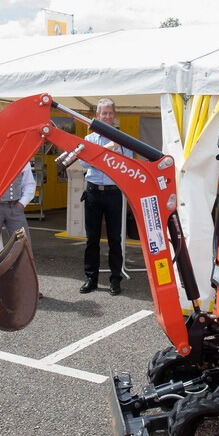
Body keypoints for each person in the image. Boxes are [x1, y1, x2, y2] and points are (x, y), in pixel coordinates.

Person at [80, 98, 134, 296]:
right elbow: (84, 164)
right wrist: (104, 153)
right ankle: (91, 279)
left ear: (114, 116)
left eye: (110, 113)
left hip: (113, 193)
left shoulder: (122, 139)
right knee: (91, 239)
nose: (107, 116)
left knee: (114, 239)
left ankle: (115, 280)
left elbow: (128, 163)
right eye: (104, 113)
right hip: (93, 191)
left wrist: (113, 151)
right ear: (97, 116)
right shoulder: (90, 140)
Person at [0, 162, 36, 261]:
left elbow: (29, 183)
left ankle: (22, 274)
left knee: (23, 246)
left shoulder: (22, 160)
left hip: (15, 207)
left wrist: (22, 203)